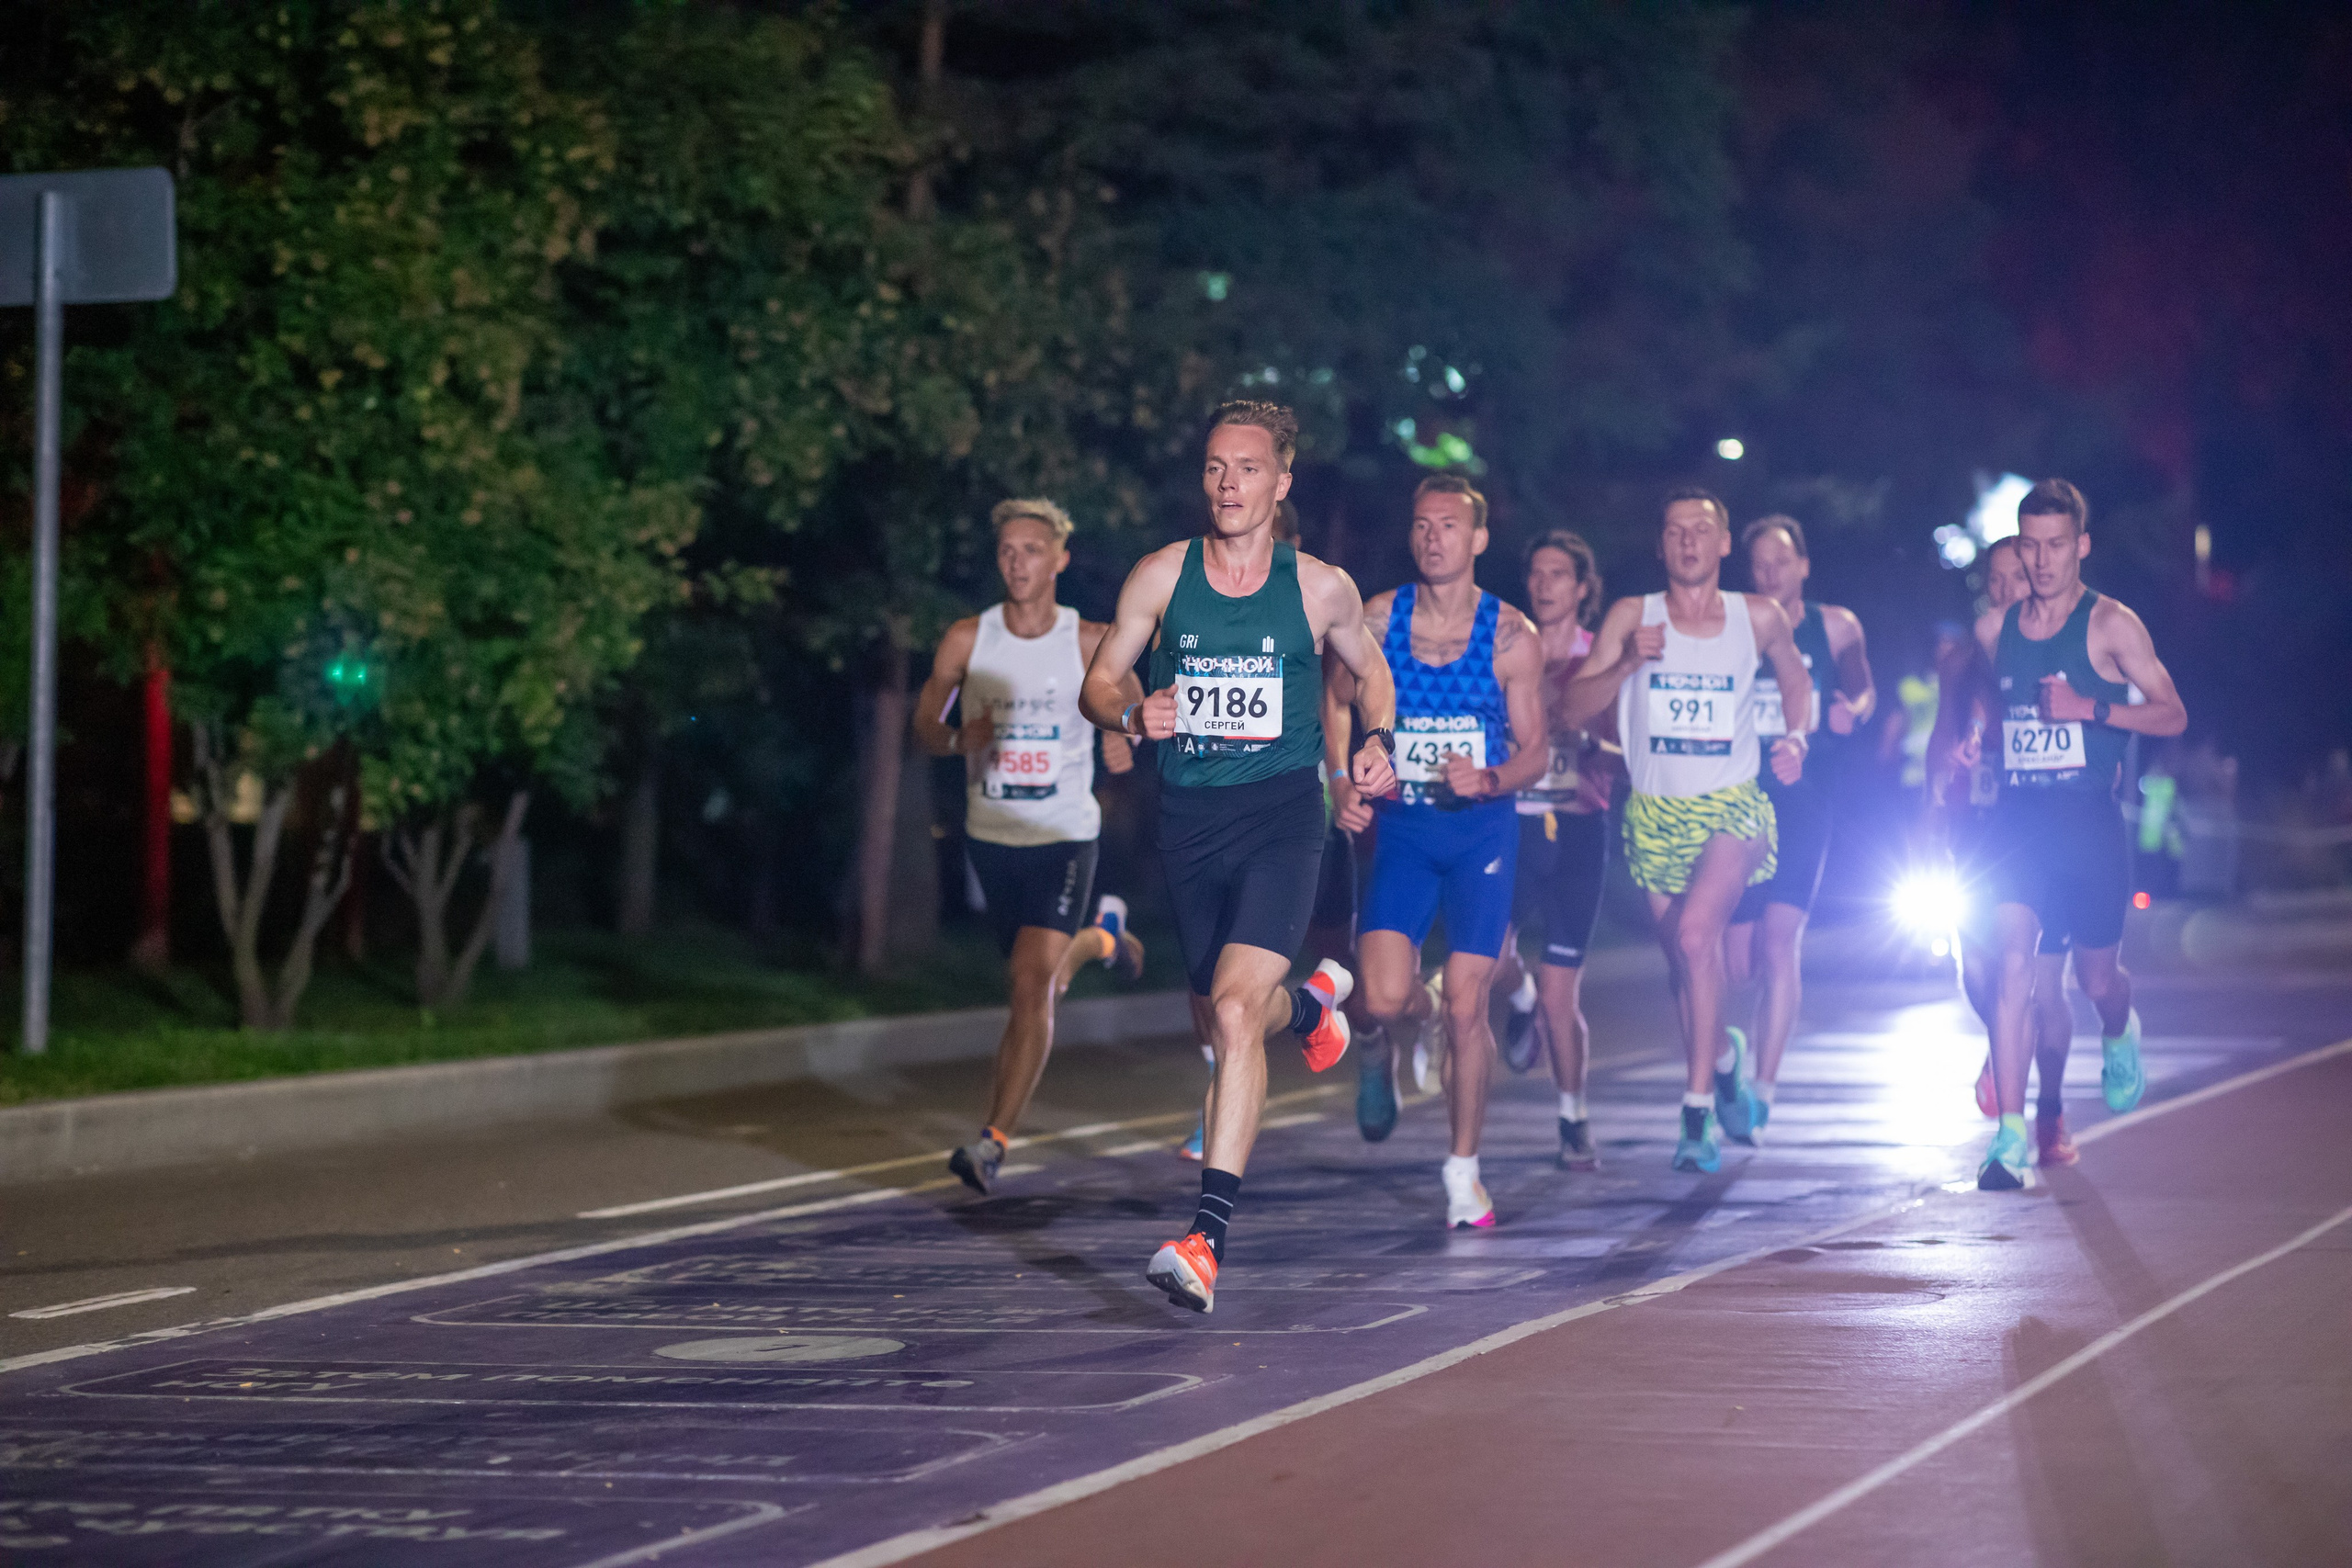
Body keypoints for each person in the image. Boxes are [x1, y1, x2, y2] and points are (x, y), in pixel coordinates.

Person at [1081, 400, 1398, 1312]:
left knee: (1229, 1014)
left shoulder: (1319, 587)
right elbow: (1102, 679)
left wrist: (1376, 737)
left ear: (1280, 482)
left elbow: (1371, 671)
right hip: (1188, 821)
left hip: (1282, 817)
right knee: (1219, 1019)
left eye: (1248, 468)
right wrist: (1130, 711)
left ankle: (1205, 1237)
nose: (1229, 484)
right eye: (1216, 467)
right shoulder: (1159, 576)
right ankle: (1308, 1005)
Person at [1562, 487, 1812, 1174]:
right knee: (1684, 960)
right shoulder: (1629, 617)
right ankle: (1726, 1060)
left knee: (1699, 937)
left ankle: (1696, 1110)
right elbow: (1574, 708)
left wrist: (1796, 738)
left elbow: (1796, 681)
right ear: (1661, 544)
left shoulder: (1755, 616)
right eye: (1674, 531)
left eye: (1701, 530)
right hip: (1654, 813)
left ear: (1724, 542)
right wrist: (1623, 665)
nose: (1687, 542)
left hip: (1732, 807)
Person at [916, 500, 1148, 1195]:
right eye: (1008, 550)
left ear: (1059, 560)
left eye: (1032, 549)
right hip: (993, 839)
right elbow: (926, 721)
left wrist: (1121, 727)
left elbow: (1131, 691)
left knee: (1029, 984)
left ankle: (992, 1140)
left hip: (1066, 837)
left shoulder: (1085, 641)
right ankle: (1105, 936)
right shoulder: (967, 639)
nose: (1018, 561)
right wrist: (958, 739)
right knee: (1032, 984)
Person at [1962, 479, 2186, 1190]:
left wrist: (2091, 707)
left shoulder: (2112, 625)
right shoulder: (1993, 631)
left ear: (2081, 545)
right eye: (2030, 545)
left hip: (2088, 823)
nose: (2042, 559)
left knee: (2095, 979)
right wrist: (1979, 743)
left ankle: (2121, 1031)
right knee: (2013, 969)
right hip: (2020, 821)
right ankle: (2009, 1137)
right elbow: (2004, 714)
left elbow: (2172, 713)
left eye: (2057, 544)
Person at [1340, 477, 1548, 1229]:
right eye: (1422, 524)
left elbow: (1538, 750)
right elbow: (1336, 701)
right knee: (1385, 997)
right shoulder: (1374, 618)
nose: (1434, 537)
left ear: (1478, 539)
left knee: (1468, 1001)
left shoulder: (1512, 636)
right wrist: (1342, 776)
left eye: (1450, 526)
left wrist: (1490, 775)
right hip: (1404, 832)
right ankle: (1385, 1042)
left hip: (1481, 836)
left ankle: (1464, 1173)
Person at [1720, 516, 1875, 1143]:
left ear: (1803, 565)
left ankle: (1763, 1090)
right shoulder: (1735, 624)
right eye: (1758, 564)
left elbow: (1864, 685)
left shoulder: (1835, 625)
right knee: (1736, 961)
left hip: (1802, 799)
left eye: (1780, 561)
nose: (1770, 574)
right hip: (1735, 798)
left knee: (1781, 943)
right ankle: (1729, 1055)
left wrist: (1852, 710)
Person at [1930, 536, 2077, 1166]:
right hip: (1980, 832)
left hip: (2048, 832)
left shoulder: (2063, 651)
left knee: (2043, 989)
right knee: (1979, 973)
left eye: (2015, 576)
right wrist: (1931, 809)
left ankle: (2049, 1110)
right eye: (1993, 580)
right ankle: (2001, 1043)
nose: (2004, 589)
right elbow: (1941, 738)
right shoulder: (1962, 660)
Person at [1489, 530, 1618, 1171]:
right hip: (1512, 823)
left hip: (1577, 832)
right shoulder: (1508, 646)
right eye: (1535, 572)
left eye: (1558, 574)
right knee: (1491, 959)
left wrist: (1597, 745)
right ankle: (1518, 1000)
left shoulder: (1602, 657)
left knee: (1563, 994)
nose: (1543, 584)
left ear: (1583, 587)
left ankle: (1574, 1118)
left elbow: (1633, 749)